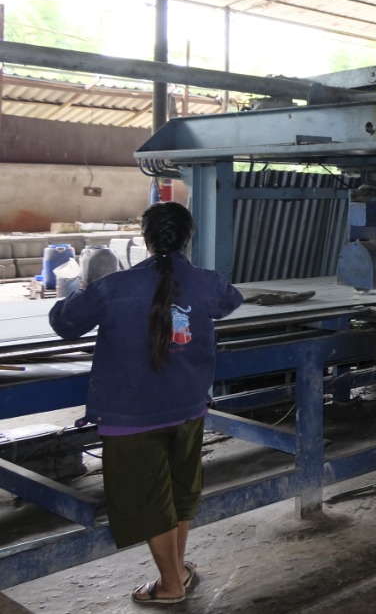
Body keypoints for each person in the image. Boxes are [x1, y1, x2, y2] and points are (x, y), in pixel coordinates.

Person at [49, 202, 243, 605]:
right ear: (188, 238)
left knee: (147, 498)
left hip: (132, 414)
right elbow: (230, 301)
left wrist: (79, 287)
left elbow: (64, 323)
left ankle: (170, 585)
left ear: (146, 239)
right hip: (188, 406)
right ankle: (179, 570)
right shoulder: (208, 282)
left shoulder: (113, 287)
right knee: (180, 491)